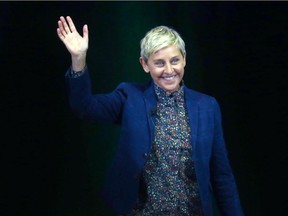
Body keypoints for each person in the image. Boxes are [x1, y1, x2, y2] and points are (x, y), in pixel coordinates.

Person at [57, 16, 244, 216]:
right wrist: (78, 59)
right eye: (159, 63)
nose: (169, 70)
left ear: (184, 59)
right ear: (145, 64)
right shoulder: (130, 97)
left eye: (175, 61)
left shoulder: (207, 106)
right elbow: (84, 107)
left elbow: (221, 175)